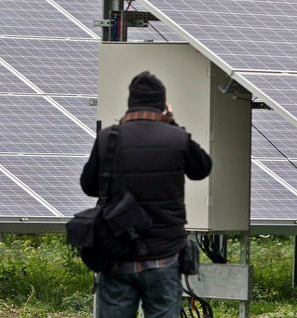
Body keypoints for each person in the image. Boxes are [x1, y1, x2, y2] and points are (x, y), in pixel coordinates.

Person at [80, 71, 212, 318]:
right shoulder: (176, 137)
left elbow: (88, 186)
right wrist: (171, 123)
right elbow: (202, 168)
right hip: (164, 254)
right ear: (162, 104)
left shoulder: (109, 138)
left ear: (131, 103)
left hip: (117, 252)